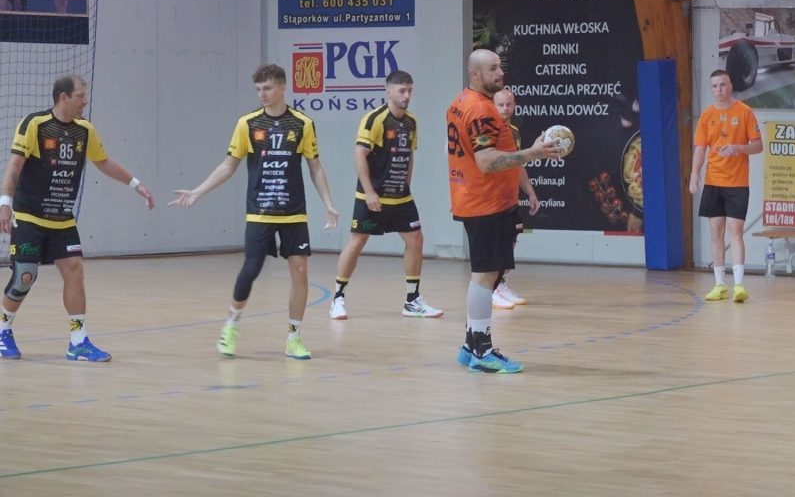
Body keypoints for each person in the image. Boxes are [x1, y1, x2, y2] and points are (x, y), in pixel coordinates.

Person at [170, 64, 339, 360]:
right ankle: (231, 325)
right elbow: (228, 165)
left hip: (293, 213)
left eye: (268, 88)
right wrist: (198, 191)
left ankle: (294, 338)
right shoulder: (247, 124)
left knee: (300, 271)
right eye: (259, 89)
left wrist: (328, 204)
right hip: (259, 212)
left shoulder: (302, 123)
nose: (262, 94)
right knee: (251, 270)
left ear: (282, 88)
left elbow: (315, 167)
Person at [0, 75, 155, 361]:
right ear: (64, 97)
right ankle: (3, 330)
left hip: (63, 220)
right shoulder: (34, 124)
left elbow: (103, 161)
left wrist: (135, 184)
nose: (85, 101)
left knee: (74, 270)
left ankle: (78, 341)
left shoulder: (85, 130)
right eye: (81, 96)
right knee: (25, 276)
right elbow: (14, 168)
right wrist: (5, 204)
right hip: (29, 216)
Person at [448, 49, 560, 373]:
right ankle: (482, 352)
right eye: (493, 69)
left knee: (487, 275)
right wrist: (533, 153)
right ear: (475, 74)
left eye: (500, 67)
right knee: (485, 277)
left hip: (477, 199)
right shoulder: (481, 109)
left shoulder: (460, 102)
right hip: (486, 202)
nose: (500, 73)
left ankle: (470, 345)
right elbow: (485, 161)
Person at [329, 70, 442, 320]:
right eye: (402, 90)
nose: (407, 95)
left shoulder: (412, 122)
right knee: (357, 242)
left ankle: (412, 300)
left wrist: (406, 184)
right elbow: (359, 154)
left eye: (410, 90)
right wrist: (369, 191)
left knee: (416, 239)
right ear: (388, 91)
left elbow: (409, 155)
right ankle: (337, 298)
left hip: (401, 197)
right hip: (373, 197)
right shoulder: (374, 119)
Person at [689, 69, 762, 303]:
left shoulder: (744, 112)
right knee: (716, 232)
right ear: (711, 89)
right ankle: (720, 285)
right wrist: (694, 174)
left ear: (730, 86)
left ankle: (739, 285)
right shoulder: (706, 115)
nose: (719, 89)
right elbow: (700, 148)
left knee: (736, 232)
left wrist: (739, 148)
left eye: (723, 84)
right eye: (715, 86)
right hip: (713, 182)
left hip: (737, 183)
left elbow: (758, 145)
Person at [490, 87, 538, 309]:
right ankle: (491, 288)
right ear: (493, 106)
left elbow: (518, 165)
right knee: (496, 243)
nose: (505, 108)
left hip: (510, 197)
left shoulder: (515, 132)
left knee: (511, 240)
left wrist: (530, 191)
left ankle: (501, 283)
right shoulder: (488, 133)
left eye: (509, 104)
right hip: (491, 198)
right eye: (500, 105)